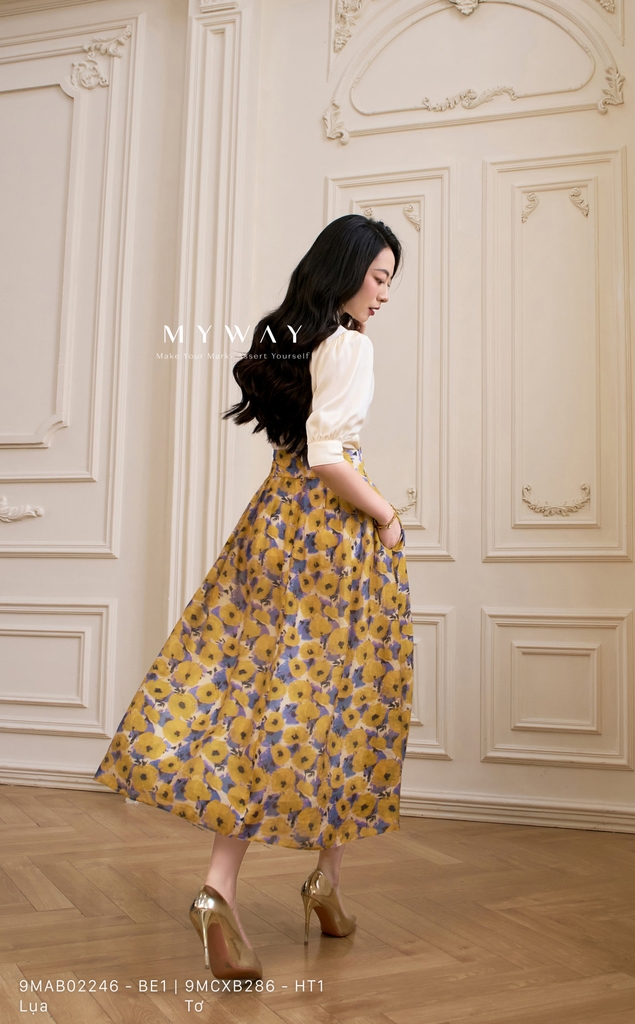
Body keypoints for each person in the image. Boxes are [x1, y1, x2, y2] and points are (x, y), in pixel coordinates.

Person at [93, 213, 414, 980]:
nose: (383, 295)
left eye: (389, 282)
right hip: (331, 538)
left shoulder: (290, 338)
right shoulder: (350, 346)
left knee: (262, 698)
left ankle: (237, 888)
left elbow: (299, 447)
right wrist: (385, 514)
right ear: (344, 272)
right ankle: (309, 881)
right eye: (378, 278)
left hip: (271, 525)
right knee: (340, 701)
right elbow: (330, 457)